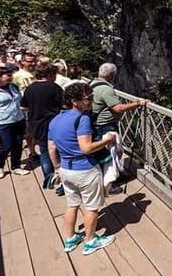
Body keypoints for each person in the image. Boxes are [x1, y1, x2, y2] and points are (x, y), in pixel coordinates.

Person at [48, 83, 117, 255]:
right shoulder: (82, 119)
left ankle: (71, 238)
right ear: (74, 101)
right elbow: (86, 148)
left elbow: (51, 148)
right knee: (92, 207)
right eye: (88, 99)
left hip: (66, 169)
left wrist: (57, 167)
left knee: (72, 205)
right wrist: (106, 141)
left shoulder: (55, 119)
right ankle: (91, 240)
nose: (91, 102)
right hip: (85, 168)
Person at [91, 63, 147, 194]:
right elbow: (117, 108)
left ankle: (111, 178)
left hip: (96, 125)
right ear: (112, 75)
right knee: (110, 156)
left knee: (105, 154)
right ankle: (109, 186)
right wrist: (138, 103)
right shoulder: (106, 90)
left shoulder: (92, 84)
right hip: (106, 126)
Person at [0, 67, 30, 179]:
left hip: (18, 120)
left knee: (18, 145)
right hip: (2, 122)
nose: (11, 77)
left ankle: (16, 166)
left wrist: (26, 118)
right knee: (6, 145)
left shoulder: (14, 87)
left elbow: (21, 104)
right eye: (8, 75)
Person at [21, 64, 63, 190]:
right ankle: (61, 182)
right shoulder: (55, 88)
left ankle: (49, 179)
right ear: (50, 74)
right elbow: (64, 105)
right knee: (59, 153)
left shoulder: (30, 89)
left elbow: (23, 107)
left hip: (37, 125)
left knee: (44, 153)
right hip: (55, 124)